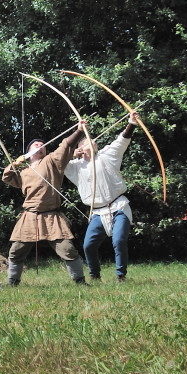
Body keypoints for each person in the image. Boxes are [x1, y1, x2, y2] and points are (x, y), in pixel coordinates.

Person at [2, 123, 88, 286]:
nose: (41, 147)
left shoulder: (51, 161)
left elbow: (66, 145)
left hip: (51, 216)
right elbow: (6, 176)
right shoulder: (23, 171)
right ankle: (13, 282)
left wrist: (79, 131)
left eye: (43, 146)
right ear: (29, 152)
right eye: (36, 145)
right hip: (29, 215)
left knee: (67, 249)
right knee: (16, 251)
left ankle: (80, 281)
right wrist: (16, 163)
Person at [64, 112, 140, 283]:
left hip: (118, 206)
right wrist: (71, 153)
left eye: (94, 141)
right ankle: (95, 275)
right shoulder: (74, 166)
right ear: (81, 149)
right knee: (88, 246)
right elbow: (56, 162)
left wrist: (131, 122)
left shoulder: (107, 154)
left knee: (119, 240)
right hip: (97, 212)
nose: (95, 142)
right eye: (90, 142)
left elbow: (122, 139)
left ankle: (121, 275)